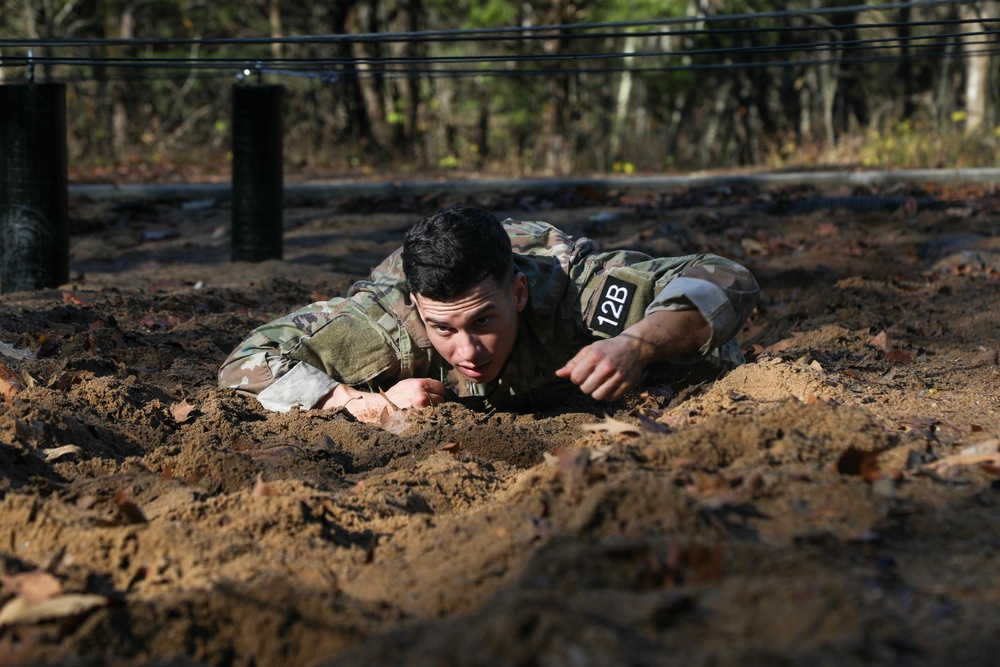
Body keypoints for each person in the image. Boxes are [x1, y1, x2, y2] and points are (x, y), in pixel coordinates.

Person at [218, 204, 758, 421]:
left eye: (482, 321)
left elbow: (726, 279)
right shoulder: (387, 325)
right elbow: (249, 360)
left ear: (518, 294)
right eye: (444, 329)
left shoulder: (575, 292)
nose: (467, 351)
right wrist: (363, 401)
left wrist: (637, 345)